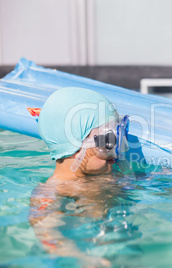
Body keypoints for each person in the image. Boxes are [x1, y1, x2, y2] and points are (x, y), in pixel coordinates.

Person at [29, 87, 131, 266]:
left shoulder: (107, 174)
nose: (116, 150)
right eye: (109, 140)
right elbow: (48, 235)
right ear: (76, 147)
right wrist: (83, 259)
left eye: (119, 135)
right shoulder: (52, 191)